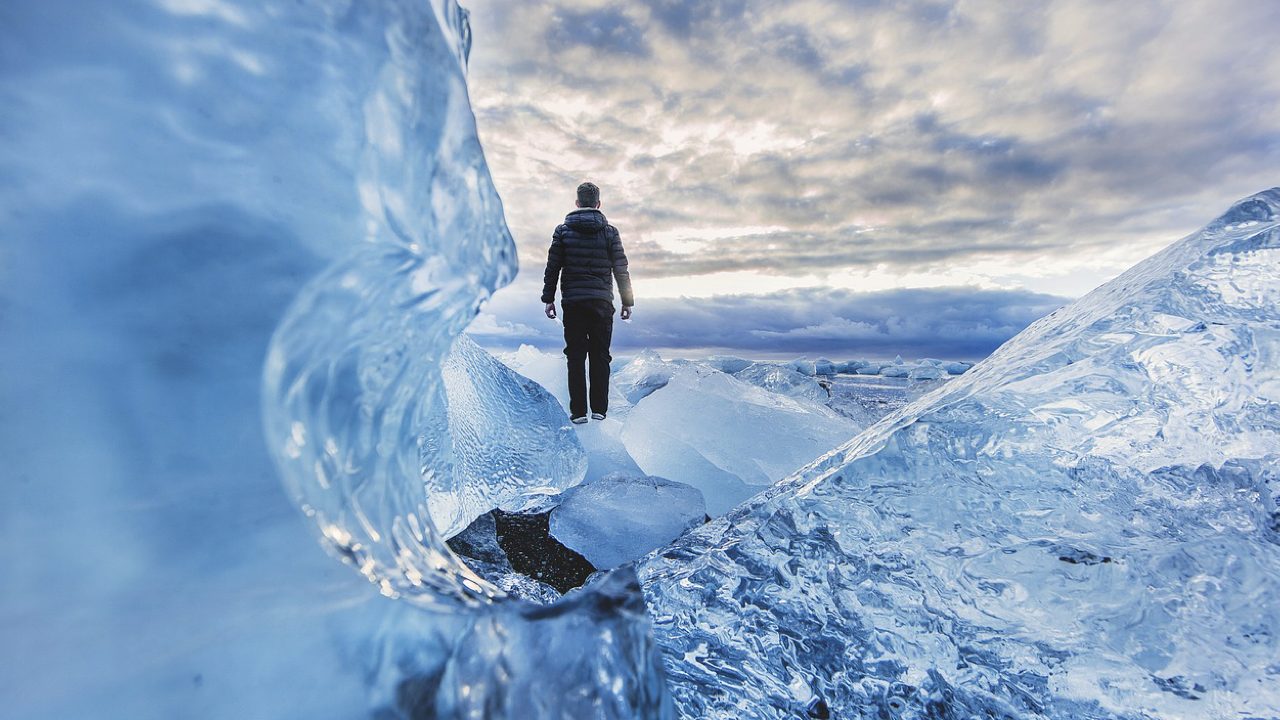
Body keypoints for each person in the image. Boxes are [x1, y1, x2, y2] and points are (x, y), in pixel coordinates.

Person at [541, 181, 634, 424]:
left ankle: (578, 412)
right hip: (602, 302)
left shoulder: (562, 231)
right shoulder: (610, 232)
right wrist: (627, 301)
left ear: (577, 203)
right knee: (600, 355)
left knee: (575, 356)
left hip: (573, 302)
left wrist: (548, 298)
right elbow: (621, 269)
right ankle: (599, 410)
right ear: (598, 204)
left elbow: (553, 268)